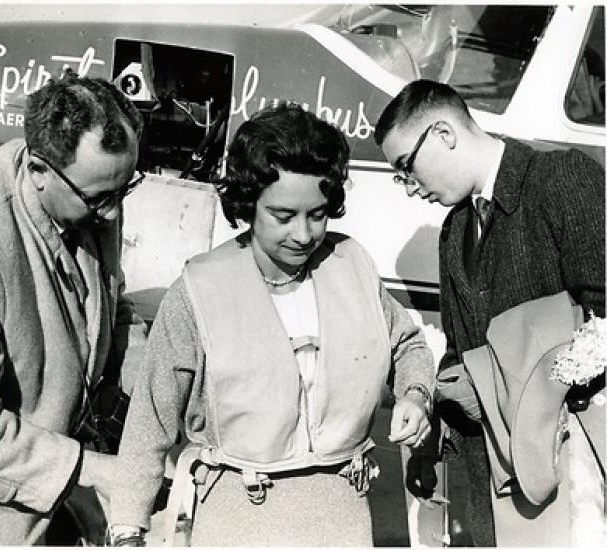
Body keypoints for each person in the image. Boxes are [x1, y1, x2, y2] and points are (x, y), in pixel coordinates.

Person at [107, 103, 436, 546]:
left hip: (342, 522)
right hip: (238, 522)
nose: (303, 234)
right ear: (248, 204)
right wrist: (128, 528)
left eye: (317, 214)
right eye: (283, 216)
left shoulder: (352, 264)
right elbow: (150, 421)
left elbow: (408, 346)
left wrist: (416, 395)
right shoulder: (198, 289)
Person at [374, 79, 605, 546]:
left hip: (573, 472)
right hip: (493, 482)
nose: (411, 187)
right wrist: (429, 429)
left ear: (443, 133)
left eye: (407, 167)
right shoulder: (454, 230)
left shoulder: (560, 178)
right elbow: (461, 352)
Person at [0, 69, 148, 545]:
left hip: (59, 493)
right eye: (99, 199)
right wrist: (94, 470)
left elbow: (112, 305)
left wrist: (149, 401)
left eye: (123, 191)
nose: (111, 214)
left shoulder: (91, 187)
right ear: (38, 169)